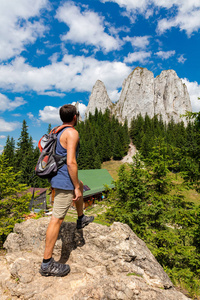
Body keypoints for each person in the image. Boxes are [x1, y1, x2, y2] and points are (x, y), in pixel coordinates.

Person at [39, 104, 94, 277]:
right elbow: (71, 162)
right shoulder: (72, 133)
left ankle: (80, 218)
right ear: (75, 117)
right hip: (64, 180)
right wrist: (75, 186)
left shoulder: (57, 130)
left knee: (81, 183)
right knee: (56, 220)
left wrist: (78, 184)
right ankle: (46, 264)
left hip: (57, 175)